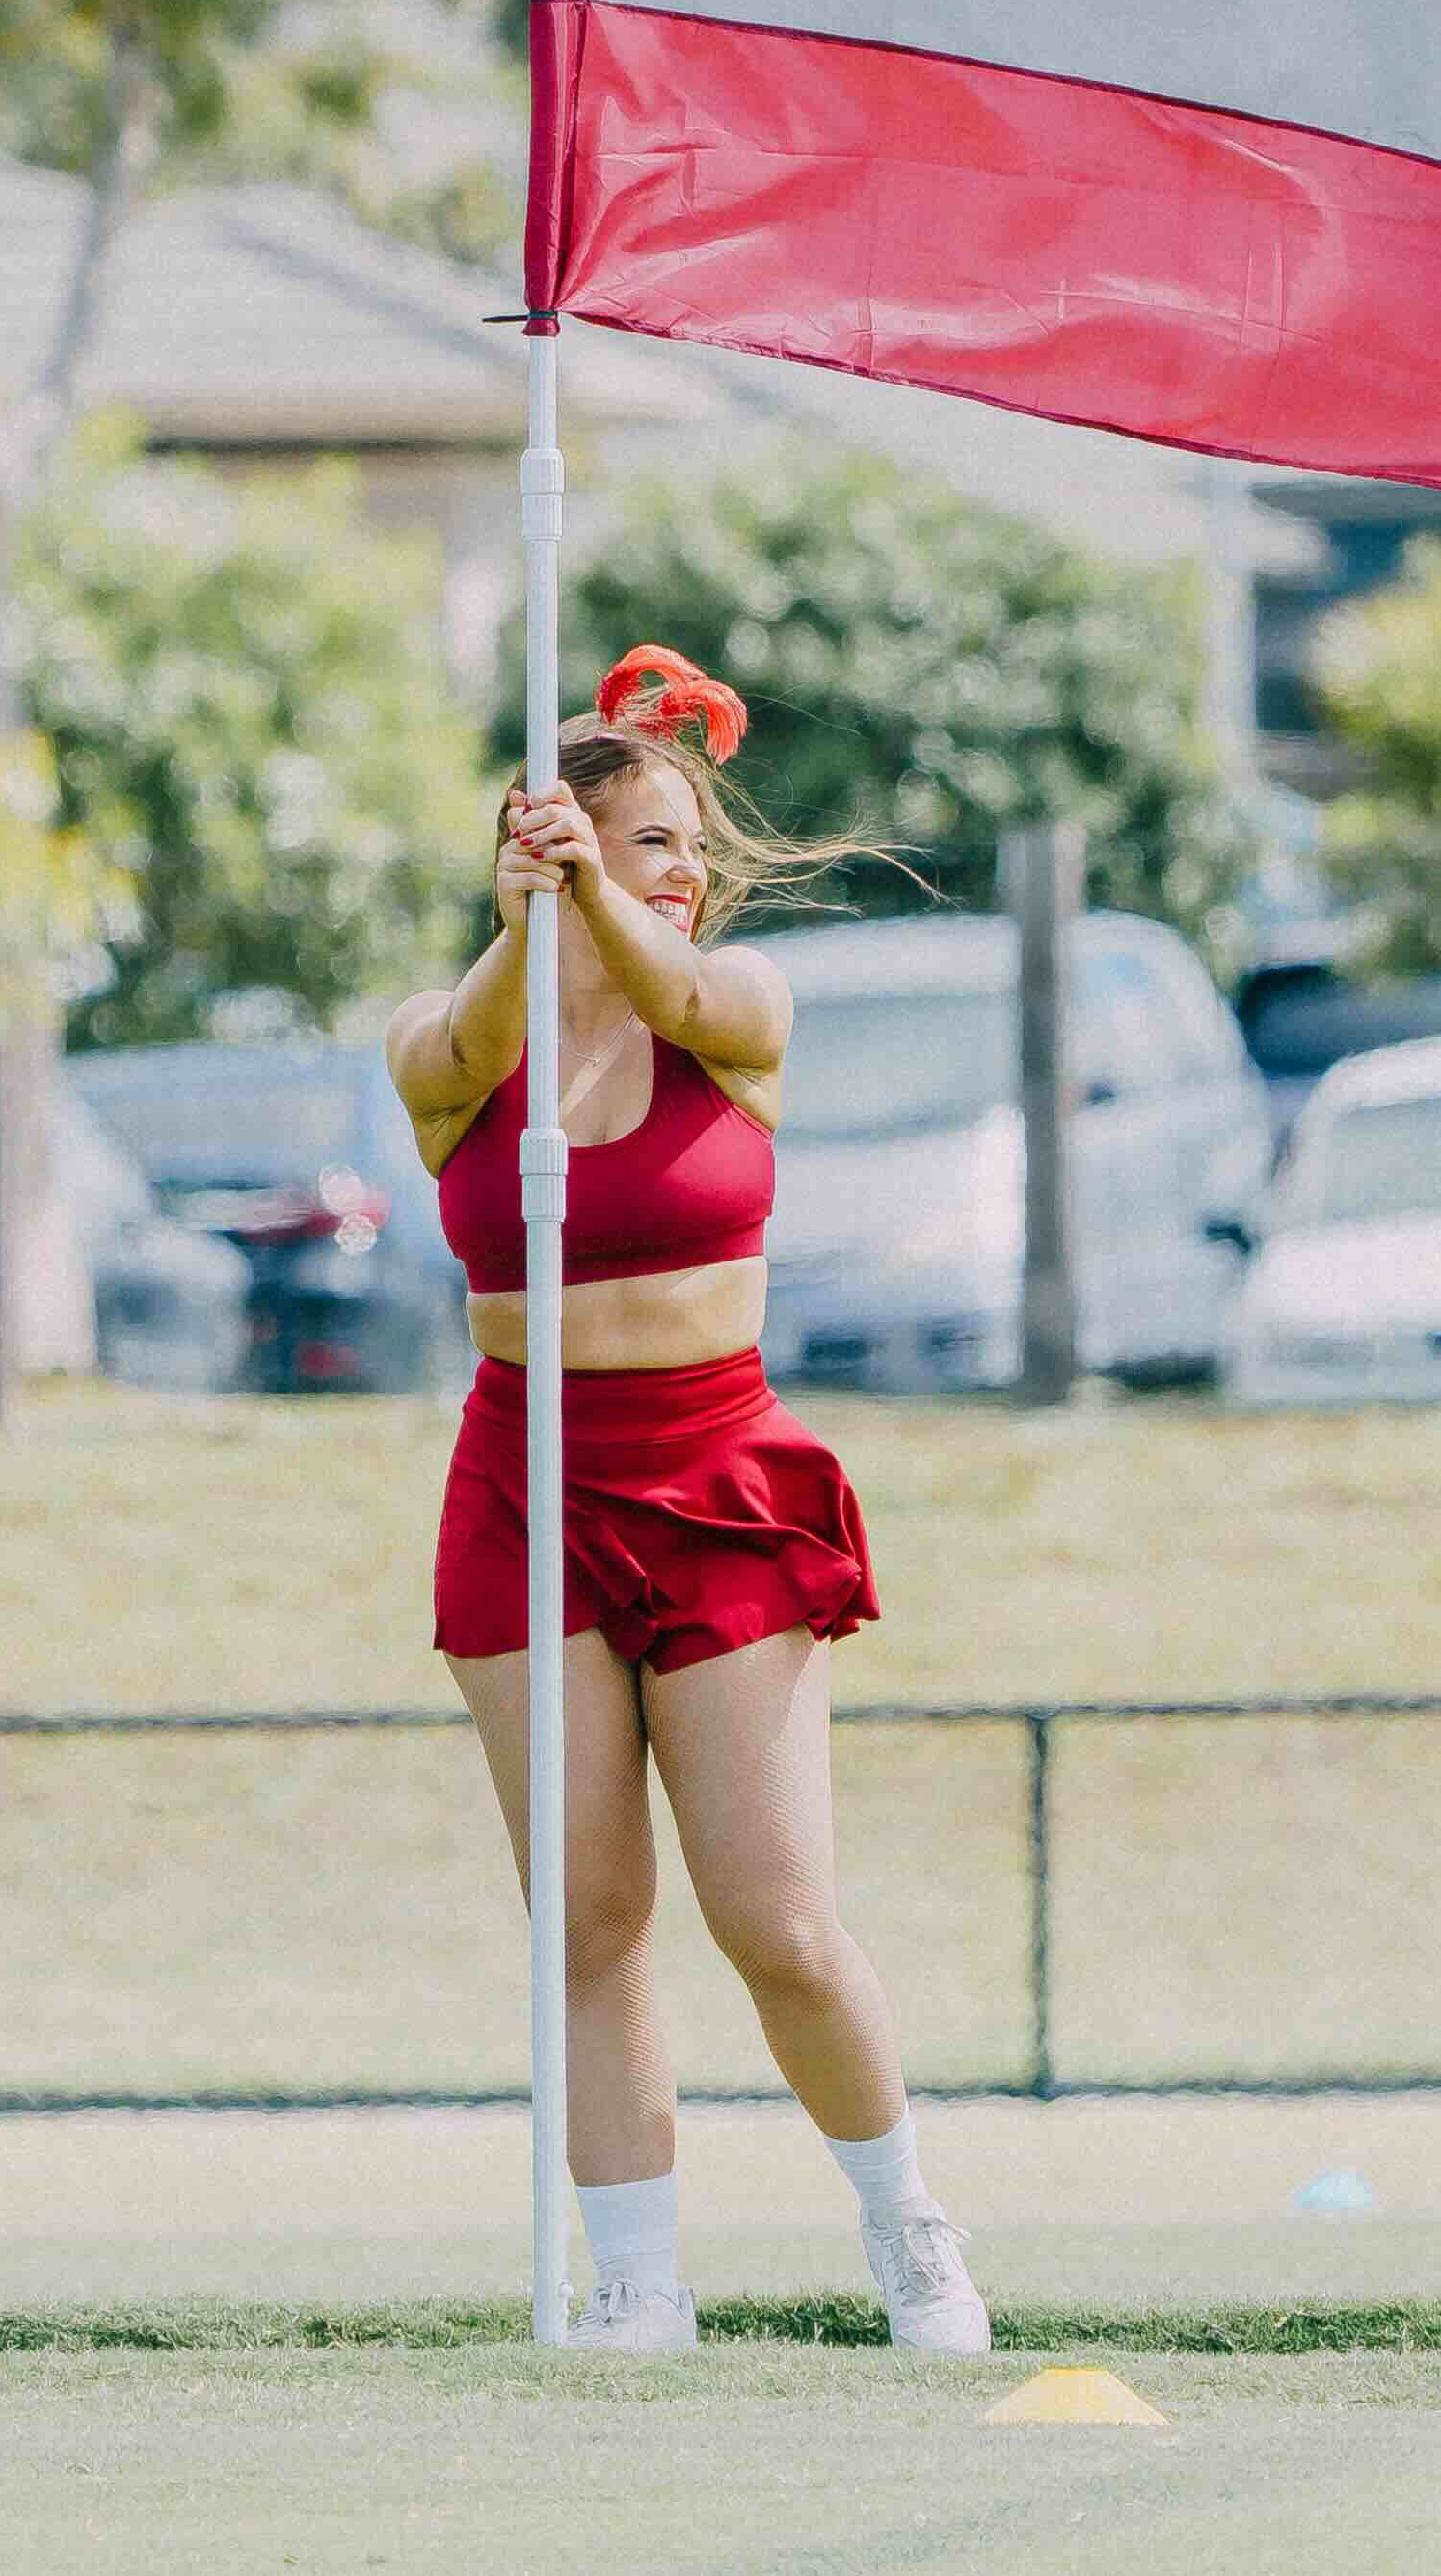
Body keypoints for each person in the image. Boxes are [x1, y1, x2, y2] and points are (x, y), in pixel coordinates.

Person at [386, 642, 991, 2360]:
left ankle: (906, 2230)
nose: (647, 869)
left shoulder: (741, 1009)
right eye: (598, 838)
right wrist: (527, 925)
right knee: (586, 1914)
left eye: (662, 844)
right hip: (524, 1478)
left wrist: (607, 908)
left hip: (716, 1474)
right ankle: (640, 2278)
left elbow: (676, 994)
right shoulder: (450, 1037)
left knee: (775, 1916)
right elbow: (474, 1037)